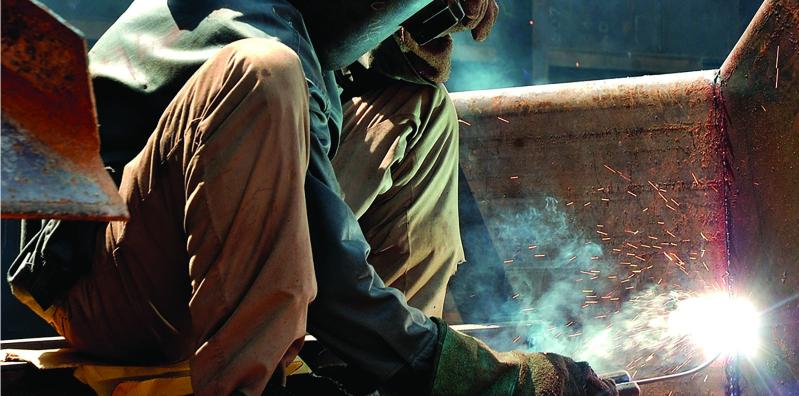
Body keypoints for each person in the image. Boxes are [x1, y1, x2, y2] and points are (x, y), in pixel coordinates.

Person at [7, 0, 616, 395]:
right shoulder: (256, 33)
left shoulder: (305, 38)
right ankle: (251, 385)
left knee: (418, 110)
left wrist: (419, 31)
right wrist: (483, 381)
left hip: (211, 240)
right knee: (264, 73)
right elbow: (329, 265)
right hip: (104, 276)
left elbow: (355, 87)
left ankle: (363, 380)